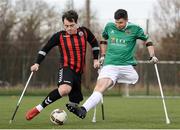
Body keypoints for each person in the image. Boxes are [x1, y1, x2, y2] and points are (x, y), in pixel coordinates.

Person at [66, 9, 158, 119]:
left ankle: (114, 80)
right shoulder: (109, 26)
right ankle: (83, 109)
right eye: (116, 22)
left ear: (127, 20)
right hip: (110, 64)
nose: (118, 25)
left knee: (135, 77)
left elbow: (147, 40)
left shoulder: (135, 29)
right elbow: (104, 38)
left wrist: (152, 55)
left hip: (126, 66)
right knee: (100, 86)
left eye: (121, 22)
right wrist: (103, 55)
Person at [25, 10, 100, 120]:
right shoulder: (59, 36)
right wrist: (37, 63)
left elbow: (94, 44)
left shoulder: (84, 32)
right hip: (66, 67)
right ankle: (39, 108)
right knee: (64, 89)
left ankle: (73, 106)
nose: (69, 28)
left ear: (76, 23)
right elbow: (45, 49)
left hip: (78, 72)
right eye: (66, 26)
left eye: (71, 25)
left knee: (75, 102)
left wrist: (95, 60)